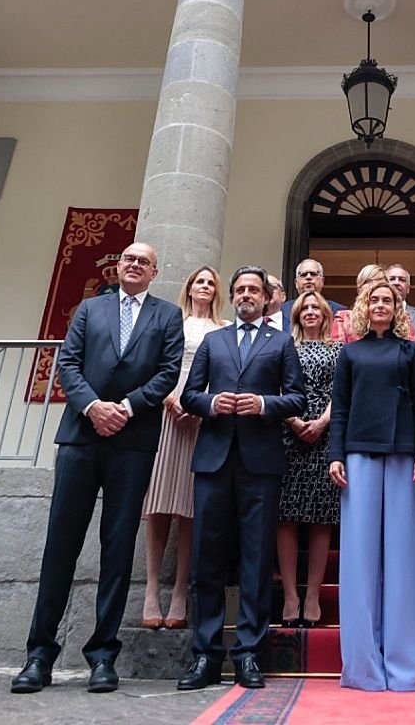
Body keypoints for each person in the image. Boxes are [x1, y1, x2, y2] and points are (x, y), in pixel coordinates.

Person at [13, 242, 183, 696]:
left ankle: (103, 655)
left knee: (118, 546)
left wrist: (125, 408)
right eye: (129, 259)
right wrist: (91, 406)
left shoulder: (167, 316)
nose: (135, 265)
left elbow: (167, 373)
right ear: (119, 266)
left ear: (154, 271)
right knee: (60, 545)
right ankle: (39, 654)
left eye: (144, 261)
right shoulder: (91, 309)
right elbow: (67, 363)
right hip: (80, 438)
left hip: (132, 441)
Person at [177, 267, 306, 692]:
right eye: (241, 290)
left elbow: (297, 397)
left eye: (255, 289)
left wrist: (264, 404)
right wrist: (213, 402)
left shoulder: (281, 342)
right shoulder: (214, 341)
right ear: (232, 297)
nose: (247, 295)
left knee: (255, 560)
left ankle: (250, 652)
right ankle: (205, 656)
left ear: (268, 297)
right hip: (214, 459)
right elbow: (190, 395)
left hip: (261, 463)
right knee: (206, 560)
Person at [328, 276, 415, 691]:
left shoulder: (411, 351)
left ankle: (406, 668)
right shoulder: (350, 353)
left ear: (398, 307)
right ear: (363, 307)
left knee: (405, 559)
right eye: (374, 300)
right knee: (358, 560)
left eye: (388, 300)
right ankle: (363, 667)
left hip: (406, 452)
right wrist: (335, 455)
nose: (381, 305)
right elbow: (340, 409)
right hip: (358, 453)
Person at [141, 266, 226, 631]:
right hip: (167, 415)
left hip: (201, 420)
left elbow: (224, 376)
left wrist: (199, 407)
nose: (204, 286)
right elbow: (158, 365)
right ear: (189, 288)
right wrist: (168, 400)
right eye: (199, 281)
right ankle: (150, 590)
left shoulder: (223, 330)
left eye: (210, 282)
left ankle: (179, 591)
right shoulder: (173, 322)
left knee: (191, 508)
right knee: (159, 504)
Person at [277, 290, 340, 627]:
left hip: (326, 433)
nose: (311, 311)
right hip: (289, 432)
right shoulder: (284, 347)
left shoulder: (339, 350)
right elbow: (277, 388)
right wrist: (294, 420)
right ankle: (290, 594)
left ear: (326, 315)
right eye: (306, 308)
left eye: (317, 307)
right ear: (297, 315)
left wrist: (322, 422)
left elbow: (340, 391)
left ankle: (312, 594)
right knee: (285, 515)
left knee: (320, 516)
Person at [332, 264, 414, 342]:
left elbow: (410, 350)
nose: (374, 286)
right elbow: (339, 352)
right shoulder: (343, 318)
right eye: (369, 281)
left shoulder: (402, 318)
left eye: (379, 281)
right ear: (359, 289)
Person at [281, 258, 345, 327]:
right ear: (296, 283)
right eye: (303, 274)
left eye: (313, 274)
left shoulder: (339, 311)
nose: (308, 277)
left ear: (322, 281)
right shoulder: (282, 311)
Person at [386, 264, 415, 329]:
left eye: (402, 280)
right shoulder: (375, 313)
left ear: (408, 289)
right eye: (392, 279)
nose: (396, 283)